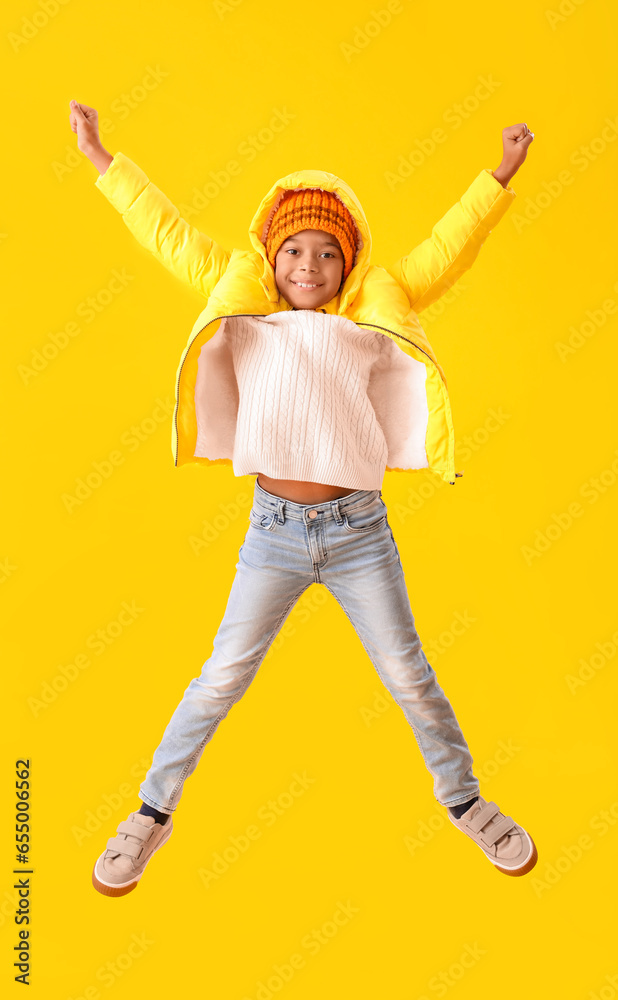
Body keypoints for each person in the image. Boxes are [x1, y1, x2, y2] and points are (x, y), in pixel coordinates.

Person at [69, 100, 537, 895]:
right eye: (294, 251)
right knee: (220, 676)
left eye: (327, 253)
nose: (309, 266)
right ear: (271, 255)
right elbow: (168, 232)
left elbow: (445, 250)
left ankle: (463, 799)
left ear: (347, 263)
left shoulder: (376, 305)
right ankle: (150, 812)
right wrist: (103, 161)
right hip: (274, 534)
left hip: (360, 533)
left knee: (409, 673)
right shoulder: (245, 303)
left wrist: (497, 177)